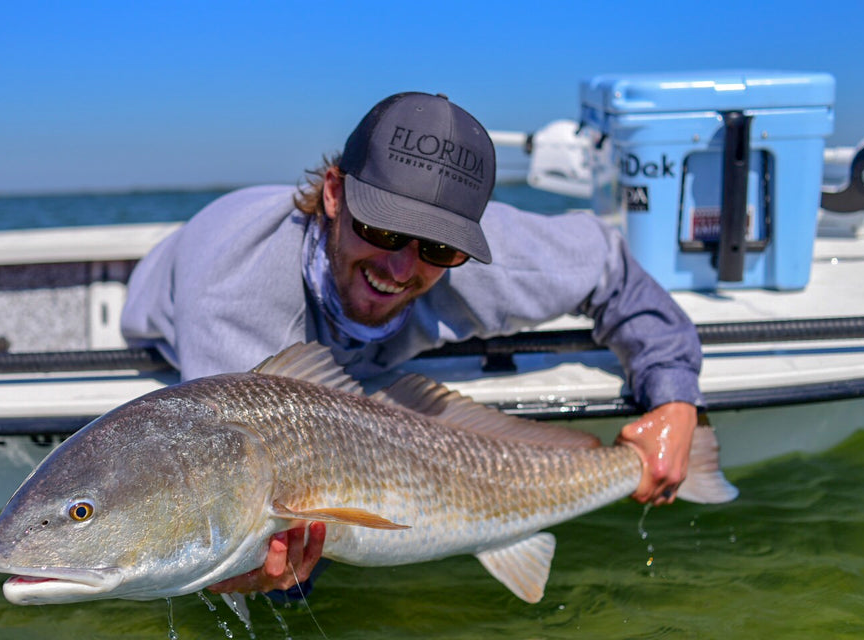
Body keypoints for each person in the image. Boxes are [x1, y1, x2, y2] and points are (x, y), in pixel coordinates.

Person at [121, 92, 703, 598]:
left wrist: (676, 405)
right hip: (184, 330)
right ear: (333, 193)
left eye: (438, 250)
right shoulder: (232, 295)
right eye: (382, 229)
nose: (400, 267)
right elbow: (228, 505)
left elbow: (613, 271)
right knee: (279, 578)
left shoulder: (483, 258)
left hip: (360, 385)